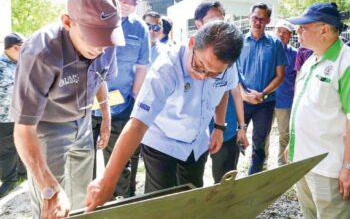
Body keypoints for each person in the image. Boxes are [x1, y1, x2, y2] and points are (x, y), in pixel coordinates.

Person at [85, 20, 244, 211]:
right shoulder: (167, 67)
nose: (203, 76)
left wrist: (218, 127)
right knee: (161, 205)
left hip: (196, 142)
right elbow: (137, 124)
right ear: (192, 43)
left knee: (191, 200)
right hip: (162, 142)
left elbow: (224, 89)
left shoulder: (226, 67)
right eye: (200, 65)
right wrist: (107, 180)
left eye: (212, 74)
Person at [10, 0, 124, 218]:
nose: (99, 48)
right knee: (51, 204)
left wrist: (105, 116)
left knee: (82, 200)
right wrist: (50, 189)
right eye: (92, 38)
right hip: (47, 129)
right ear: (67, 22)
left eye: (106, 39)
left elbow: (100, 77)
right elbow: (23, 128)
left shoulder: (105, 44)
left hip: (84, 121)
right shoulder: (40, 53)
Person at [287, 2, 350, 218]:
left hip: (328, 169)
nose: (298, 31)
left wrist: (348, 167)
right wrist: (292, 147)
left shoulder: (346, 63)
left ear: (323, 30)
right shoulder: (311, 60)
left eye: (304, 26)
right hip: (303, 163)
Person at [92, 0, 150, 198]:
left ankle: (119, 204)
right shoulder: (93, 16)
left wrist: (134, 101)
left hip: (120, 107)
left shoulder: (140, 29)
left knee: (119, 163)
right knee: (82, 163)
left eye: (134, 0)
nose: (128, 4)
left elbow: (142, 68)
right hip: (85, 107)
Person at [193, 1, 249, 183]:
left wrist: (241, 127)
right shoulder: (185, 57)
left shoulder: (229, 54)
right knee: (189, 184)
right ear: (198, 24)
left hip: (226, 127)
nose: (220, 25)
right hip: (194, 132)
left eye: (221, 20)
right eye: (213, 20)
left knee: (225, 180)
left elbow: (233, 91)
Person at [238, 3, 287, 175]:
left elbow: (280, 75)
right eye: (255, 18)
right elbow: (231, 72)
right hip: (241, 101)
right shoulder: (239, 42)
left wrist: (263, 94)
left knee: (259, 142)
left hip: (265, 103)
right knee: (234, 139)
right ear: (249, 18)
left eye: (262, 19)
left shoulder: (275, 44)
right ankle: (229, 178)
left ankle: (253, 179)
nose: (258, 22)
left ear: (268, 21)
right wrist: (243, 94)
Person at [0, 33, 27, 198]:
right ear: (15, 47)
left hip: (21, 115)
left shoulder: (22, 63)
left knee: (21, 145)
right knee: (5, 150)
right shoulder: (1, 66)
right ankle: (10, 179)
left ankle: (22, 173)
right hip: (3, 117)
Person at [266, 20, 297, 166]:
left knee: (284, 134)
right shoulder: (267, 50)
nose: (281, 34)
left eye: (285, 32)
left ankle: (282, 163)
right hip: (266, 99)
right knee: (263, 133)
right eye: (279, 31)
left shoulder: (295, 54)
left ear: (290, 36)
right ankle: (261, 161)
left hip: (285, 101)